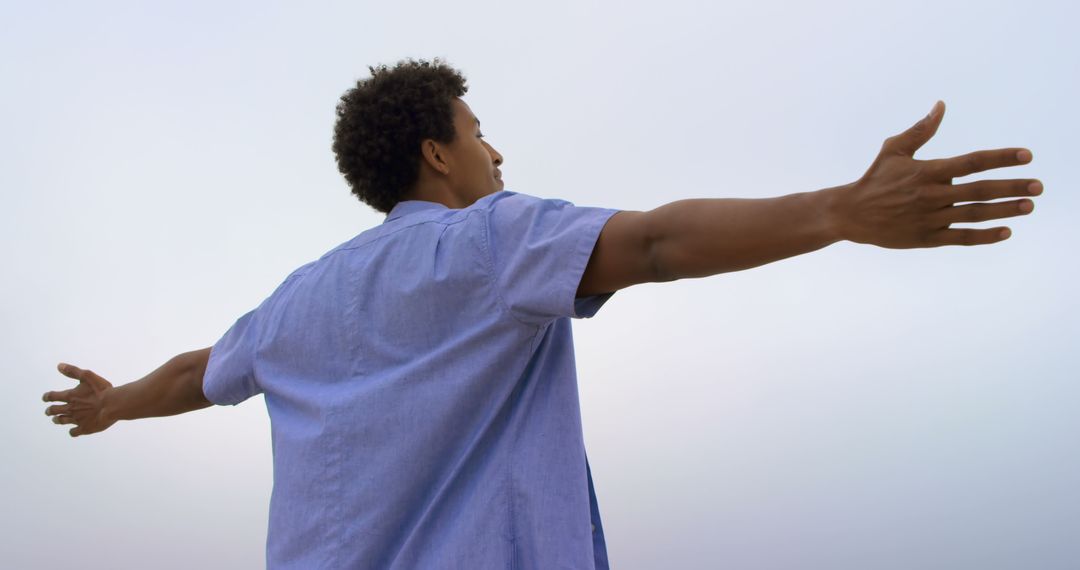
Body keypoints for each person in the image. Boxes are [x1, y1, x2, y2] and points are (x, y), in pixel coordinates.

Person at [41, 58, 1041, 569]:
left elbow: (194, 372)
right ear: (437, 154)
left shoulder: (296, 302)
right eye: (480, 134)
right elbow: (651, 244)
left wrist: (112, 405)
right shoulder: (490, 241)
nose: (497, 156)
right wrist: (839, 211)